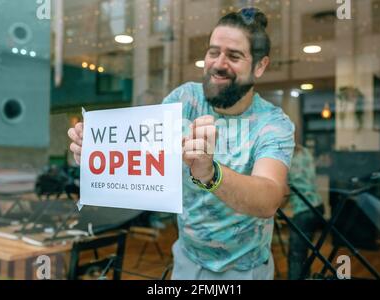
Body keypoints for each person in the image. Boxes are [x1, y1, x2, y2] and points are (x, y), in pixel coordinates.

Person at [68, 7, 295, 280]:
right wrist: (96, 156)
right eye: (213, 52)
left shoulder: (273, 123)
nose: (219, 63)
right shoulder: (186, 99)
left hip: (245, 270)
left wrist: (211, 174)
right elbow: (143, 160)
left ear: (260, 66)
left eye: (234, 56)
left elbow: (269, 197)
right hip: (186, 261)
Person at [286, 136, 324, 280]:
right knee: (304, 252)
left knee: (296, 254)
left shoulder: (287, 157)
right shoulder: (306, 152)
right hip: (317, 205)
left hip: (303, 209)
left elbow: (286, 189)